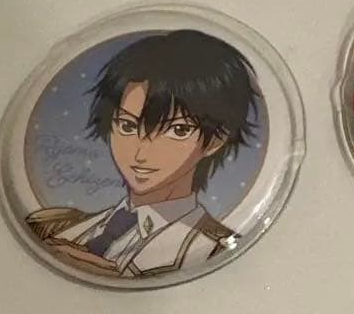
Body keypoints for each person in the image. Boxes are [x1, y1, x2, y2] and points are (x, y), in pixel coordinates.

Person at [26, 30, 259, 277]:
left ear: (216, 140)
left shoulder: (217, 251)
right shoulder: (55, 227)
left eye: (178, 131)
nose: (141, 152)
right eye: (127, 126)